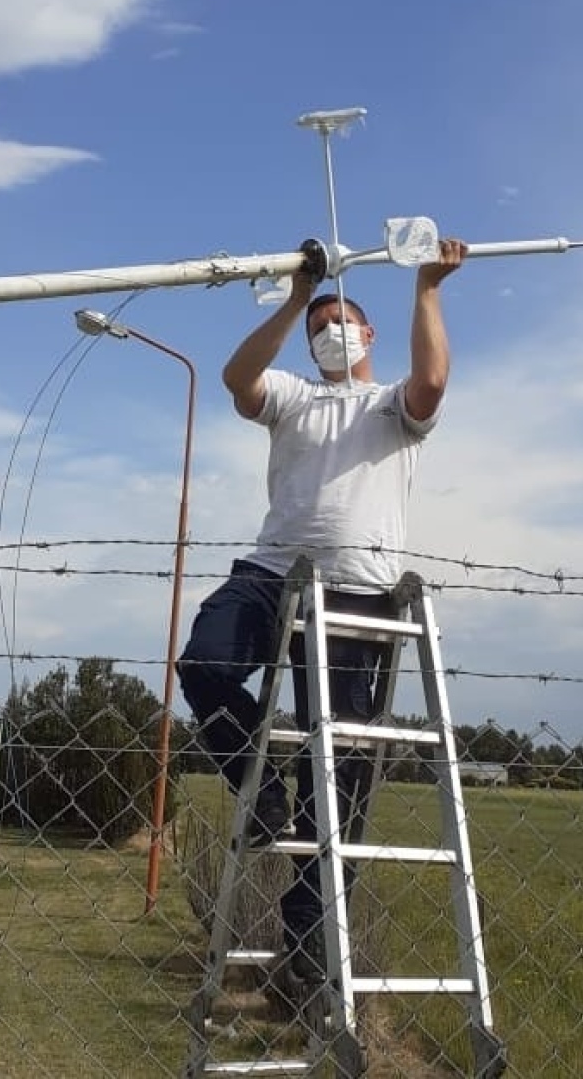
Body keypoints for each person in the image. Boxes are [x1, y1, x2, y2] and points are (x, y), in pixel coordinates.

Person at [177, 236, 467, 980]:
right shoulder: (294, 397)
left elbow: (431, 381)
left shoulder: (389, 405)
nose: (328, 331)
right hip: (271, 574)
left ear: (369, 335)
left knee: (335, 775)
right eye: (318, 326)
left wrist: (428, 288)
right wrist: (295, 297)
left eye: (340, 321)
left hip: (356, 593)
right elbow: (238, 377)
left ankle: (305, 952)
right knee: (205, 662)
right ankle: (259, 785)